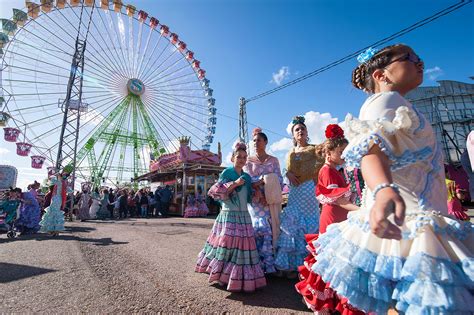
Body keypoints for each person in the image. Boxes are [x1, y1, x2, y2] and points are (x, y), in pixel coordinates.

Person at [307, 45, 473, 314]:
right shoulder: (383, 102)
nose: (420, 62)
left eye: (419, 57)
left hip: (418, 221)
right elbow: (370, 150)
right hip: (409, 224)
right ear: (381, 75)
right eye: (410, 58)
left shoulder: (401, 104)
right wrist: (383, 188)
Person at [295, 124, 362, 314]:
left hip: (339, 218)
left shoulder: (336, 170)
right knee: (331, 261)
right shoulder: (327, 171)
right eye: (341, 151)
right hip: (333, 219)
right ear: (328, 152)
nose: (343, 155)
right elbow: (339, 200)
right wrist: (361, 210)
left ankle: (334, 303)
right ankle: (326, 303)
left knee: (337, 261)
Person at [195, 141, 266, 292]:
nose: (242, 159)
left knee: (241, 246)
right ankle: (221, 275)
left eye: (244, 157)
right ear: (233, 157)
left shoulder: (246, 176)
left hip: (244, 216)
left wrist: (257, 192)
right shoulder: (227, 173)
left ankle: (237, 277)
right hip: (229, 214)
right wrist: (234, 183)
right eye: (239, 156)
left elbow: (248, 195)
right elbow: (216, 192)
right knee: (226, 244)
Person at [274, 115, 324, 277]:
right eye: (297, 129)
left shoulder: (315, 148)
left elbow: (323, 164)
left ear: (306, 131)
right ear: (293, 135)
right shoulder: (290, 152)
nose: (300, 131)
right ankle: (291, 267)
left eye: (302, 128)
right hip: (295, 191)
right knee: (292, 224)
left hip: (309, 189)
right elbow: (286, 170)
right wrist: (288, 172)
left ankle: (308, 267)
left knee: (309, 224)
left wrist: (317, 181)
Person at [243, 127, 283, 274]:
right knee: (256, 228)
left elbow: (279, 178)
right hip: (255, 201)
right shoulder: (248, 161)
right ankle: (255, 265)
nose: (255, 143)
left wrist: (267, 189)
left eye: (258, 140)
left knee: (269, 229)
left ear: (265, 142)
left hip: (269, 200)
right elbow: (246, 179)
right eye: (254, 141)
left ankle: (268, 265)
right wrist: (258, 186)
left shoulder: (273, 160)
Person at [40, 166, 72, 236]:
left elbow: (52, 177)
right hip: (56, 198)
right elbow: (51, 178)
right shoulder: (62, 182)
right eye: (64, 174)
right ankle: (54, 231)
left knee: (54, 213)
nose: (65, 175)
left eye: (66, 175)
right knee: (54, 213)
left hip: (56, 198)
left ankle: (54, 231)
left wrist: (59, 173)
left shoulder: (61, 182)